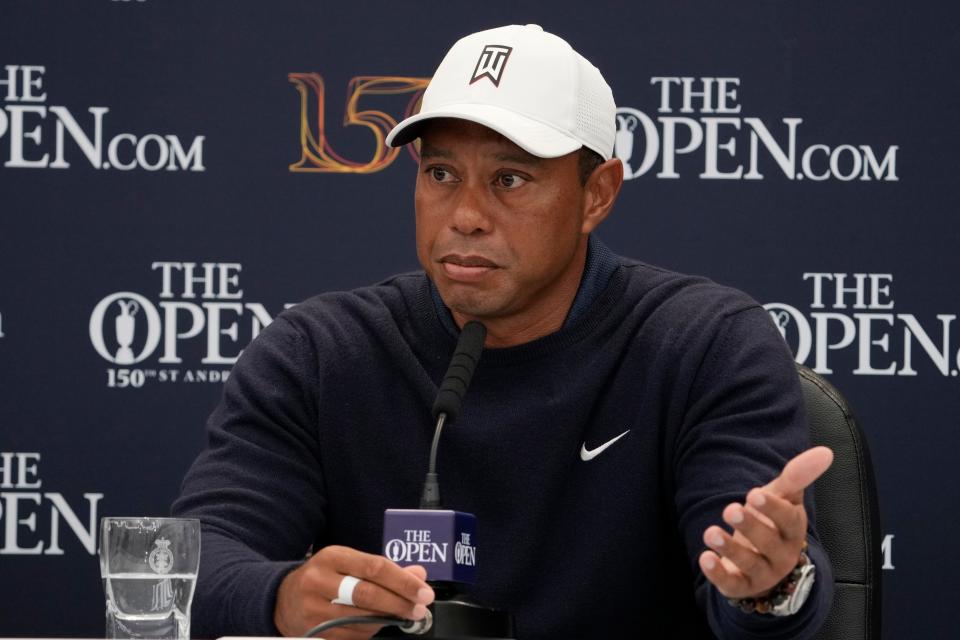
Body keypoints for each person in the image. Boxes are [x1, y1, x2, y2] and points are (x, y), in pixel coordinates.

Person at [172, 24, 834, 639]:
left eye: (509, 179)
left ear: (597, 194)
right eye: (440, 174)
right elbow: (195, 566)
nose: (464, 215)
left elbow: (746, 574)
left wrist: (766, 586)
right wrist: (282, 595)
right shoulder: (320, 352)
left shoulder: (703, 344)